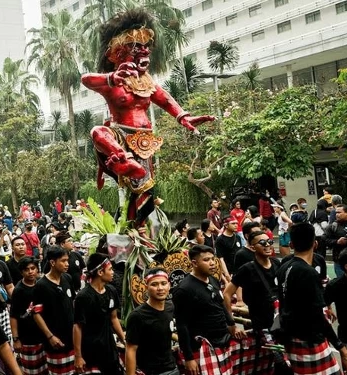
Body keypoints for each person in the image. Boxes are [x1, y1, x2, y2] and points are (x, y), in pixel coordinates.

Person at [82, 9, 214, 225]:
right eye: (135, 47)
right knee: (97, 132)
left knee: (142, 191)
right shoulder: (111, 83)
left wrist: (183, 117)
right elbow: (86, 79)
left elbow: (165, 99)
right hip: (119, 136)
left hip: (144, 141)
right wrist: (112, 78)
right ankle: (123, 160)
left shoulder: (147, 82)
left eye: (145, 47)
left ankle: (138, 232)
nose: (143, 51)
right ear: (116, 53)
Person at [277, 223, 347, 375]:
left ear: (291, 244)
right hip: (309, 338)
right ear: (315, 243)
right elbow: (317, 315)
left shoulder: (284, 267)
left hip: (292, 335)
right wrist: (342, 348)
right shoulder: (308, 273)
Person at [173, 245, 246, 375]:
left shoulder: (213, 280)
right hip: (202, 348)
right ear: (194, 263)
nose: (212, 263)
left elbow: (221, 304)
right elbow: (181, 325)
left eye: (213, 259)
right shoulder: (184, 289)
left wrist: (232, 326)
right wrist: (189, 358)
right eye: (206, 260)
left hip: (222, 342)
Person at [223, 230, 281, 374]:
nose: (268, 245)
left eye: (270, 242)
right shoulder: (247, 269)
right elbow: (226, 294)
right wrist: (231, 324)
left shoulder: (276, 263)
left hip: (282, 324)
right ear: (252, 247)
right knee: (282, 362)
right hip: (263, 327)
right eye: (262, 243)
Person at [73, 253, 124, 375]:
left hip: (109, 347)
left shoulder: (111, 291)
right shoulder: (84, 297)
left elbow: (114, 318)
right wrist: (78, 356)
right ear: (100, 272)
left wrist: (123, 339)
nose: (113, 272)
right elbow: (77, 327)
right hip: (91, 350)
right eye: (110, 269)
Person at [32, 246, 76, 375]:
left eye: (68, 260)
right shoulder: (41, 285)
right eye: (63, 261)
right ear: (52, 262)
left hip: (71, 337)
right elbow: (36, 314)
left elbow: (72, 303)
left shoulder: (67, 278)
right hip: (55, 340)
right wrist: (50, 336)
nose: (67, 264)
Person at [125, 268, 177, 375]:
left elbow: (165, 329)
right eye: (154, 284)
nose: (160, 288)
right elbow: (130, 349)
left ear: (169, 285)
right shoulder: (138, 316)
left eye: (163, 283)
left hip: (172, 368)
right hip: (150, 371)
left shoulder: (170, 307)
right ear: (146, 287)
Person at [11, 257, 47, 375]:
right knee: (31, 371)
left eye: (33, 268)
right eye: (27, 269)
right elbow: (14, 316)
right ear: (22, 272)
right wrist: (16, 339)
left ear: (37, 269)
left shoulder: (42, 285)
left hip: (44, 336)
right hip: (27, 339)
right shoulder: (18, 290)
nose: (30, 272)